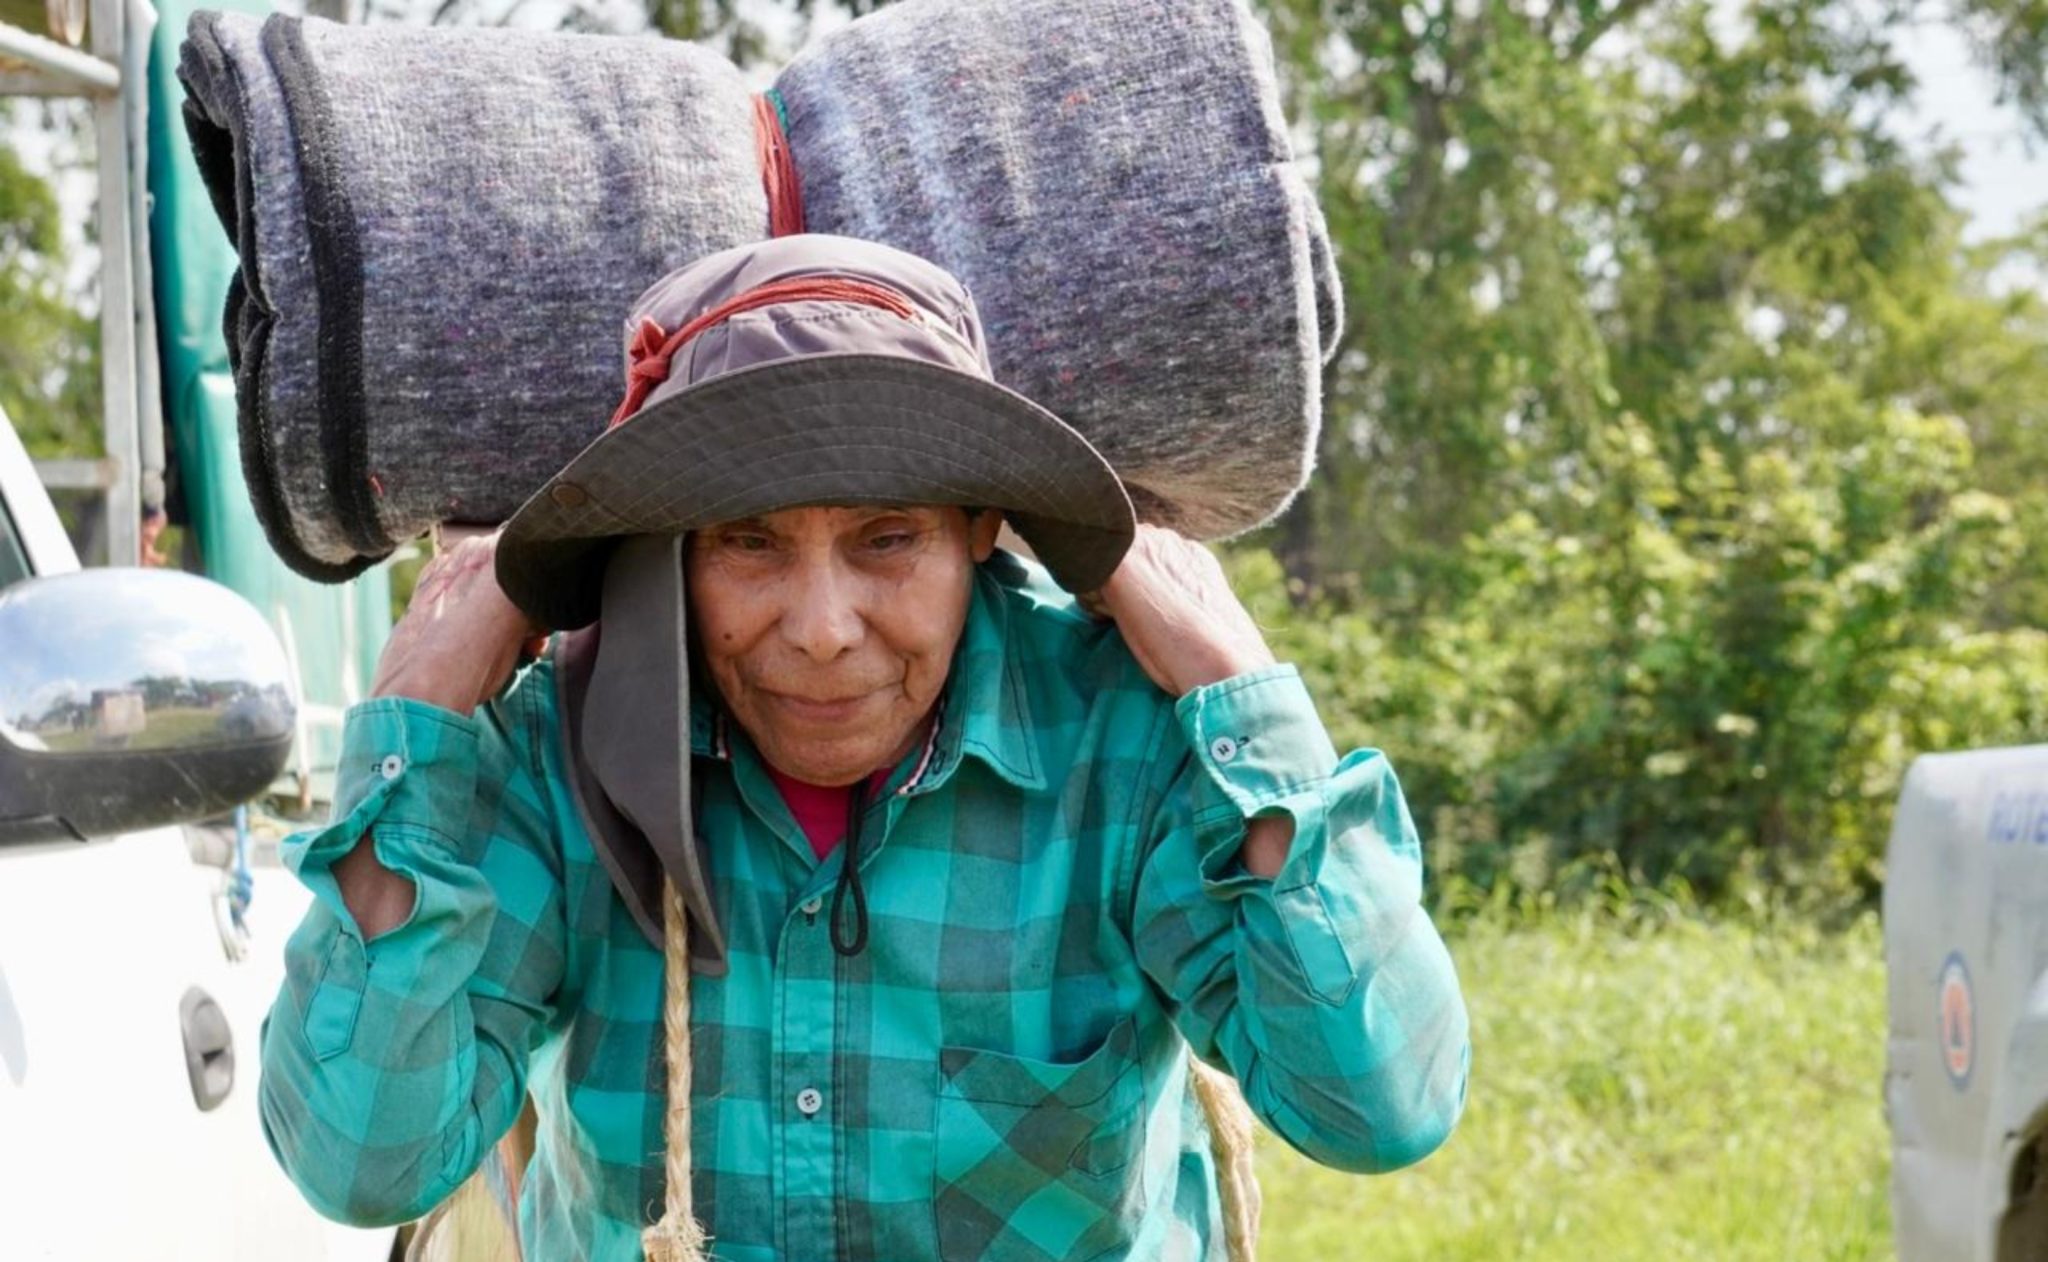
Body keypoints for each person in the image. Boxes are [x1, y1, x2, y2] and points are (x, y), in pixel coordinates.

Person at [257, 234, 1469, 1262]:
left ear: (979, 529)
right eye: (748, 543)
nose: (823, 629)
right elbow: (363, 1161)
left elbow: (1378, 1104)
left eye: (887, 539)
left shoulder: (1117, 740)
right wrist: (419, 703)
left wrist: (1230, 678)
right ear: (669, 554)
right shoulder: (559, 752)